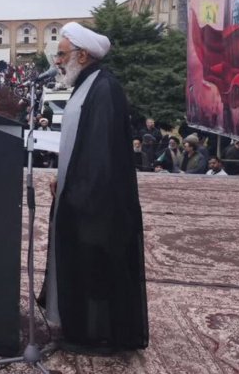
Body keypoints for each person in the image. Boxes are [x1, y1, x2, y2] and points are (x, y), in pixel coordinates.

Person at [41, 22, 148, 352]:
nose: (56, 61)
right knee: (82, 263)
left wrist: (77, 189)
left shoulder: (104, 89)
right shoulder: (87, 84)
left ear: (82, 55)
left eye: (61, 54)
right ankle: (79, 325)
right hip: (79, 191)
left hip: (96, 202)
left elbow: (101, 154)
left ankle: (96, 334)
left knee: (96, 266)